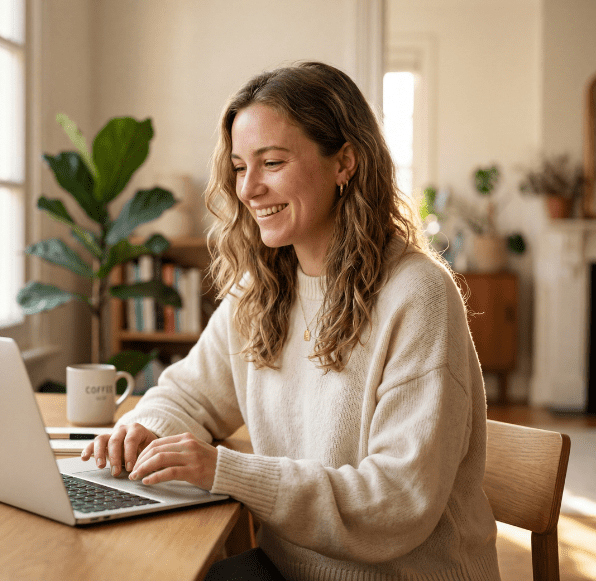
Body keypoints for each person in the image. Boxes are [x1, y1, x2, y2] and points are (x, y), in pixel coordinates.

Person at [81, 61, 500, 580]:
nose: (248, 189)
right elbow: (189, 395)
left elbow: (396, 502)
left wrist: (225, 471)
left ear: (344, 162)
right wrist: (143, 431)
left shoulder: (418, 296)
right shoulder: (260, 287)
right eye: (238, 167)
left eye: (272, 162)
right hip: (286, 571)